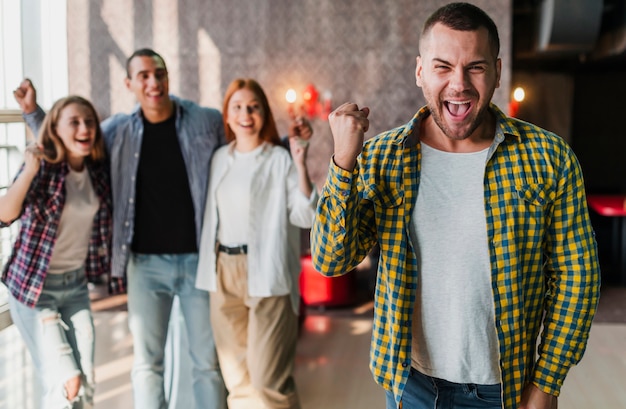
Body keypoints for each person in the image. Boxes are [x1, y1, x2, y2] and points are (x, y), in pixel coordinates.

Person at [310, 3, 600, 409]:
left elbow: (576, 275)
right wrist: (343, 162)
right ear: (420, 71)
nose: (459, 84)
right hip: (411, 385)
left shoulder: (549, 158)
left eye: (475, 67)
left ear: (497, 71)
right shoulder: (380, 159)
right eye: (442, 66)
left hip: (507, 390)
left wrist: (548, 381)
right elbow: (330, 260)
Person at [14, 48, 227, 409]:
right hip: (144, 266)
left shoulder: (204, 121)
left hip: (198, 263)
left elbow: (242, 152)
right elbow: (66, 143)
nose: (153, 82)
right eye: (143, 75)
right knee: (147, 364)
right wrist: (33, 114)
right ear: (130, 83)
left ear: (167, 77)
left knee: (206, 363)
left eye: (158, 73)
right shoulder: (117, 131)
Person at [196, 78, 318, 409]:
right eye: (237, 107)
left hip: (265, 271)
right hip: (222, 271)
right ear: (227, 115)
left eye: (253, 107)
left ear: (264, 113)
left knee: (269, 382)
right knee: (238, 383)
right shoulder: (220, 158)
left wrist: (301, 162)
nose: (245, 114)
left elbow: (306, 216)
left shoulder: (279, 159)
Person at [1, 95, 118, 408]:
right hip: (35, 290)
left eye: (89, 121)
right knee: (67, 382)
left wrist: (31, 111)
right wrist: (27, 171)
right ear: (57, 130)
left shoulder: (97, 170)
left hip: (75, 287)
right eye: (75, 122)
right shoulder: (43, 169)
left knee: (86, 383)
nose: (84, 128)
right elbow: (4, 214)